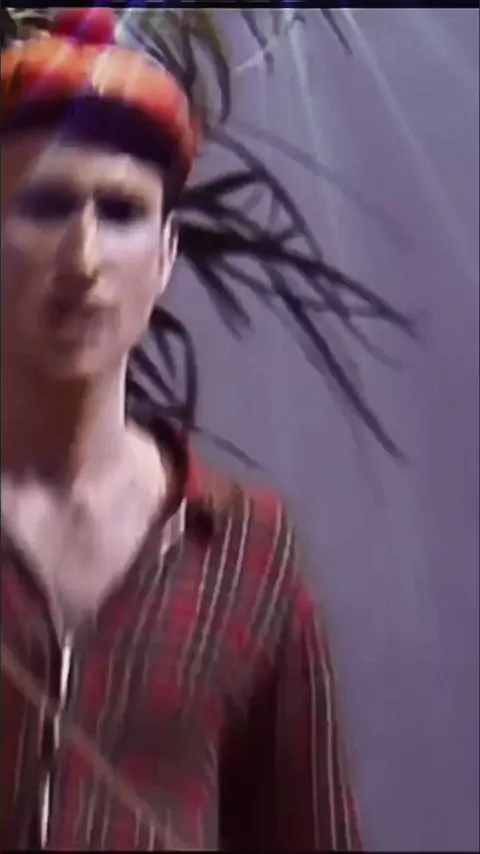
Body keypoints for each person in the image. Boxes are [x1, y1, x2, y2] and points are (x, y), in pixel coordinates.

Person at [0, 9, 368, 851]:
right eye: (45, 205)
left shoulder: (247, 552)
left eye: (121, 212)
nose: (84, 258)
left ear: (165, 256)